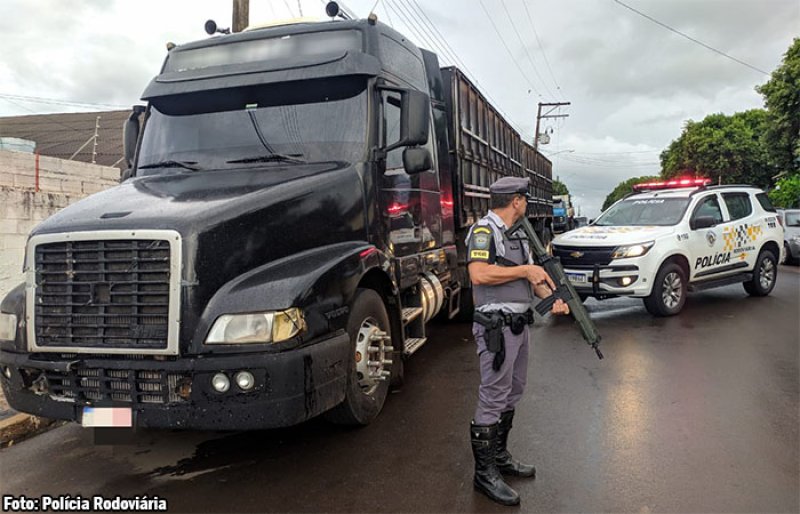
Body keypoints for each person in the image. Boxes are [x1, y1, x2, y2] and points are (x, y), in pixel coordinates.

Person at [466, 176, 570, 506]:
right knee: (494, 394)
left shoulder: (518, 235)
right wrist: (526, 271)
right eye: (524, 199)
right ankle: (484, 475)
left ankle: (499, 459)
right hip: (495, 327)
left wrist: (553, 297)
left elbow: (532, 282)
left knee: (514, 390)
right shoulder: (485, 231)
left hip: (519, 324)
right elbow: (479, 274)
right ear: (516, 201)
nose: (525, 204)